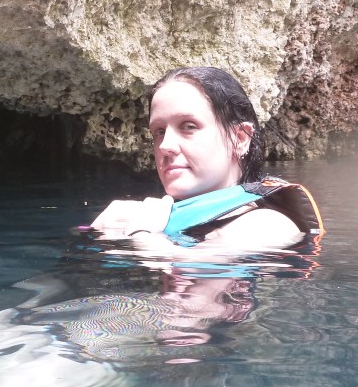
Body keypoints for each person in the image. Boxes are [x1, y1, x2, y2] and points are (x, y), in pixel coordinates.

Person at [91, 66, 323, 252]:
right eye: (159, 131)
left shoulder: (269, 225)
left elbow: (192, 281)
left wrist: (141, 234)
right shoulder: (160, 220)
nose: (165, 146)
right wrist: (102, 232)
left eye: (189, 126)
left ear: (240, 138)